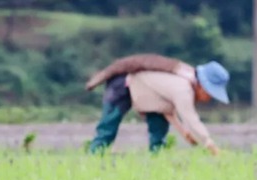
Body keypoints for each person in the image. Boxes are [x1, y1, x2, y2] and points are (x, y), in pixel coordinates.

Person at [86, 55, 230, 156]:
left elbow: (167, 110)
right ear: (202, 86)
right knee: (107, 129)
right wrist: (209, 144)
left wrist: (184, 133)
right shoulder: (183, 88)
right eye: (210, 93)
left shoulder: (184, 76)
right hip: (123, 85)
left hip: (149, 99)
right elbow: (190, 118)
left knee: (159, 133)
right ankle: (92, 157)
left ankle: (156, 161)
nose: (209, 98)